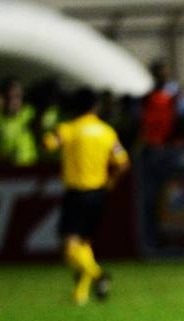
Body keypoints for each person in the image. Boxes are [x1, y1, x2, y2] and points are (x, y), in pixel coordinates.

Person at [44, 88, 131, 305]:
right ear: (95, 107)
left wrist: (49, 132)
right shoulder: (106, 132)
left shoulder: (69, 129)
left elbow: (48, 144)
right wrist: (110, 183)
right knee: (84, 245)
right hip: (99, 194)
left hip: (76, 193)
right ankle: (80, 295)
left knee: (70, 247)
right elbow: (122, 163)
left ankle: (98, 275)